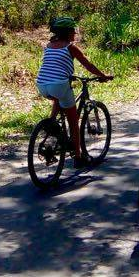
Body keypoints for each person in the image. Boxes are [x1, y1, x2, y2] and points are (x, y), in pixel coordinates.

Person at [35, 16, 111, 168]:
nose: (75, 34)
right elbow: (87, 64)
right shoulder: (70, 47)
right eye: (73, 31)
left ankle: (52, 124)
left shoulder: (49, 45)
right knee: (73, 121)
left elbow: (54, 65)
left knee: (58, 98)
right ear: (67, 33)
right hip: (58, 85)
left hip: (42, 85)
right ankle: (78, 156)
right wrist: (103, 76)